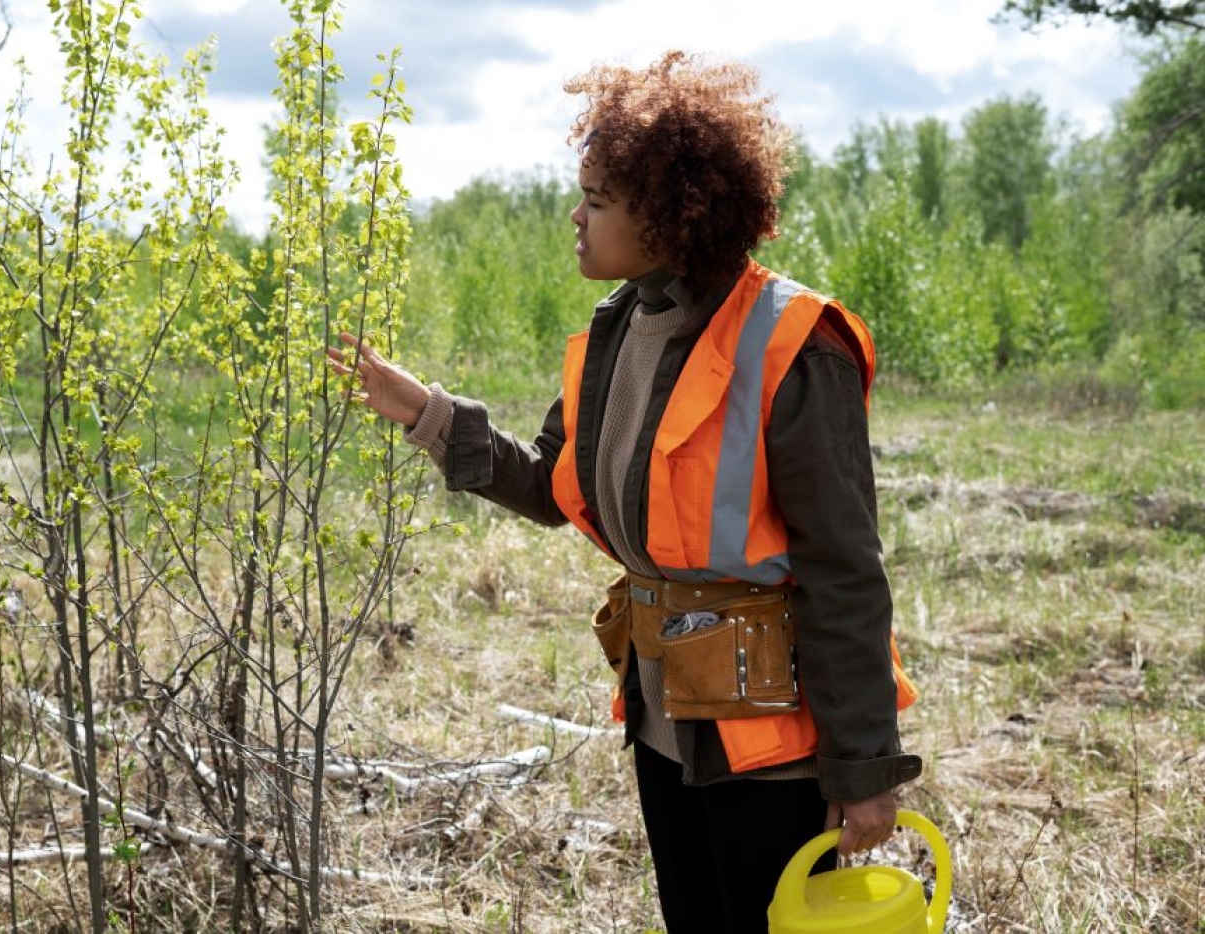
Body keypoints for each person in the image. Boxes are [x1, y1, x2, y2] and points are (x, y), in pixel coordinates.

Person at [329, 50, 921, 934]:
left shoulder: (796, 343)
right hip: (664, 713)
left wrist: (865, 767)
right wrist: (428, 414)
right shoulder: (620, 328)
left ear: (673, 212)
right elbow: (554, 485)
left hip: (773, 743)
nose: (575, 215)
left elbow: (845, 568)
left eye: (598, 198)